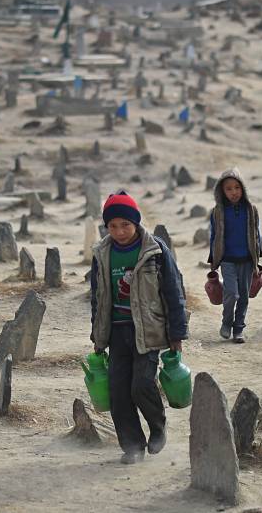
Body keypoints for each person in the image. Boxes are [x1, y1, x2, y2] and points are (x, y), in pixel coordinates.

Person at [90, 191, 188, 464]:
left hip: (148, 330)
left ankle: (158, 427)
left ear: (136, 223)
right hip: (116, 332)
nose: (120, 231)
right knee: (118, 392)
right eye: (113, 226)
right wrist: (98, 336)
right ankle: (132, 446)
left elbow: (173, 292)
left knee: (141, 385)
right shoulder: (102, 253)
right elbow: (97, 297)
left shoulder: (155, 250)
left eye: (125, 225)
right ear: (106, 226)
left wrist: (177, 334)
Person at [208, 167, 262, 344]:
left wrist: (257, 258)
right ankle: (226, 323)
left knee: (244, 296)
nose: (233, 192)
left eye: (237, 188)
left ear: (243, 188)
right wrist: (213, 259)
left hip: (246, 260)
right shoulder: (218, 212)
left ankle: (238, 328)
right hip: (227, 260)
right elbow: (214, 236)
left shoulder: (251, 210)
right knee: (231, 293)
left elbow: (256, 233)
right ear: (222, 191)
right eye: (229, 189)